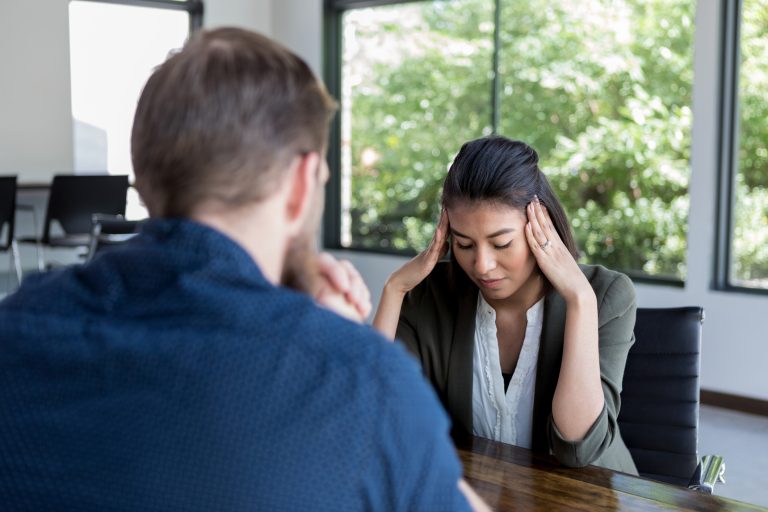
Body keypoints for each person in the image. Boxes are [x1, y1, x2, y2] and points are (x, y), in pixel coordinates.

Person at [0, 28, 488, 511]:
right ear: (301, 184)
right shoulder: (362, 382)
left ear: (143, 176)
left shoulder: (15, 327)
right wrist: (338, 344)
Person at [373, 136, 638, 474]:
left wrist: (580, 300)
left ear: (540, 226)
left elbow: (578, 447)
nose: (482, 265)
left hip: (588, 496)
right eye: (465, 244)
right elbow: (378, 422)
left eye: (501, 243)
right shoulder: (427, 295)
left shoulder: (606, 294)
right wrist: (394, 289)